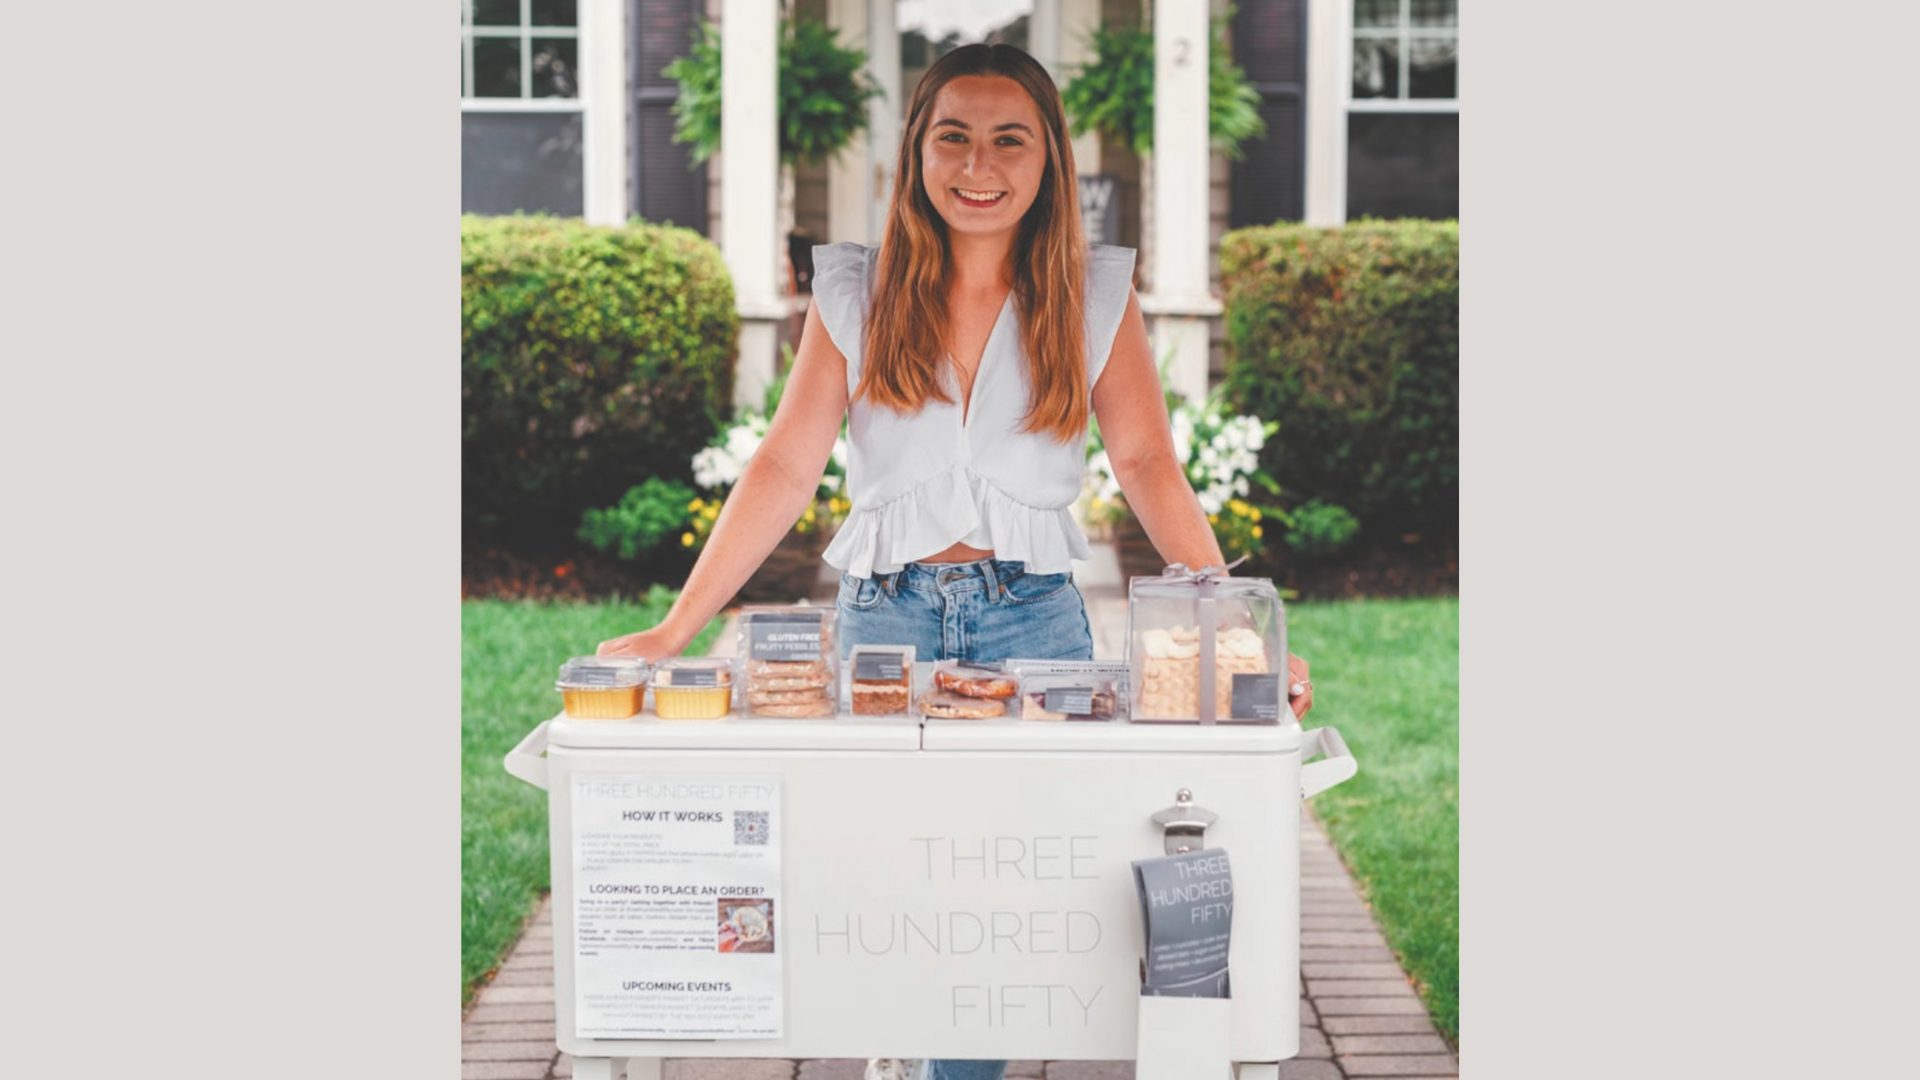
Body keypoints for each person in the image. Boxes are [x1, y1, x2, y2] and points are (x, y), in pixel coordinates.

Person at [599, 42, 1312, 1080]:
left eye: (1009, 138)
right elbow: (787, 462)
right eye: (955, 137)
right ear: (918, 152)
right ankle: (917, 1044)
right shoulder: (857, 291)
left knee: (1009, 896)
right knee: (888, 884)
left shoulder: (1093, 295)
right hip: (883, 631)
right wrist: (677, 627)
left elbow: (1149, 461)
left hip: (1036, 630)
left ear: (1050, 160)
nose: (980, 163)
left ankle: (949, 1061)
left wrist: (1235, 632)